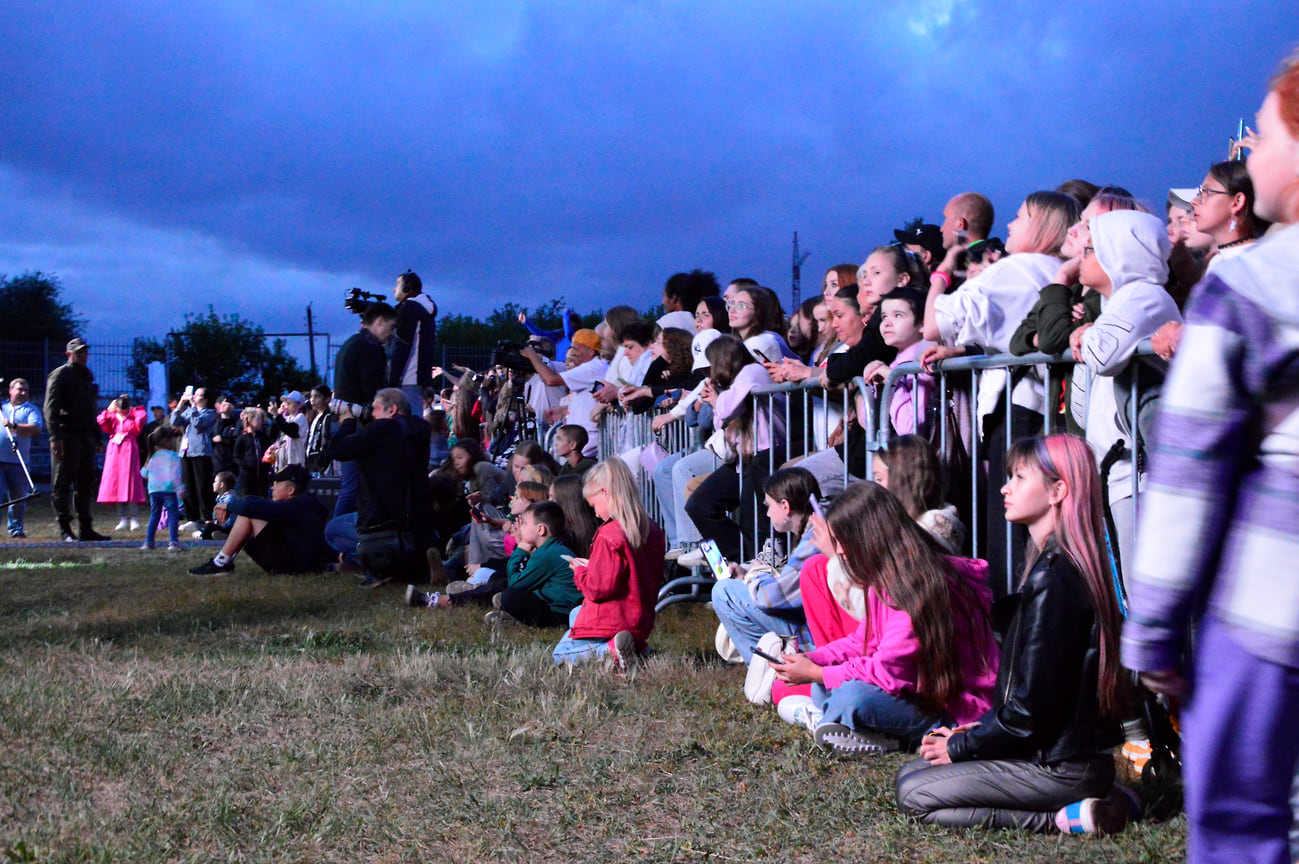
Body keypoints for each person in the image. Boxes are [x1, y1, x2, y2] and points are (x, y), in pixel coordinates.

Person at [1123, 54, 1299, 864]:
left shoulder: (1254, 284)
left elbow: (1188, 474)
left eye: (1262, 135)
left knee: (1249, 832)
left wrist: (1154, 630)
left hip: (1271, 622)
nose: (1250, 155)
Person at [896, 434, 1131, 835]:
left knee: (915, 793)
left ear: (1058, 490)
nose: (1004, 487)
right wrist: (975, 733)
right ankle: (1110, 798)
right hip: (1052, 754)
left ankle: (1069, 818)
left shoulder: (1056, 577)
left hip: (1058, 766)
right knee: (912, 774)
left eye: (1019, 477)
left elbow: (1030, 713)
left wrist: (960, 746)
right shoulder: (1054, 566)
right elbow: (1036, 698)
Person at [769, 480, 998, 756]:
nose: (839, 551)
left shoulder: (915, 586)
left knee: (851, 697)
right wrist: (815, 660)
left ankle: (892, 735)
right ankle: (844, 724)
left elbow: (888, 672)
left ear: (868, 537)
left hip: (954, 710)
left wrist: (818, 673)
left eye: (843, 541)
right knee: (824, 691)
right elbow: (863, 640)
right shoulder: (889, 577)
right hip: (920, 694)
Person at [1067, 209, 1181, 580]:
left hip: (1138, 473)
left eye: (1090, 250)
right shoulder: (1120, 302)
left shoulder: (1144, 296)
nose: (1080, 258)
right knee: (1130, 594)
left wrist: (1088, 333)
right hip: (1117, 472)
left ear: (1119, 253)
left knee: (1147, 593)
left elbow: (1100, 356)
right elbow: (1083, 407)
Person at [552, 459, 665, 667]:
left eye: (593, 505)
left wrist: (580, 572)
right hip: (639, 617)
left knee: (560, 655)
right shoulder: (652, 528)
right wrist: (593, 565)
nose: (595, 513)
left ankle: (611, 650)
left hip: (614, 618)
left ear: (605, 492)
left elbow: (598, 589)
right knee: (576, 614)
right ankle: (638, 648)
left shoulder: (609, 533)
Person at [711, 467, 822, 664]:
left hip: (814, 636)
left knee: (724, 592)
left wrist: (753, 575)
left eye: (769, 506)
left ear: (785, 506)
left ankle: (763, 670)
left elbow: (770, 598)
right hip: (818, 626)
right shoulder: (818, 527)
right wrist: (746, 573)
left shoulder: (814, 540)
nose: (768, 514)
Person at [188, 464, 332, 576]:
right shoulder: (305, 503)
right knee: (253, 511)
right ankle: (223, 559)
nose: (272, 488)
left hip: (297, 566)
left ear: (291, 490)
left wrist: (227, 505)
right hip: (301, 561)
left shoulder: (298, 505)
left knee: (249, 514)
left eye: (277, 484)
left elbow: (250, 505)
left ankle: (221, 562)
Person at [45, 337, 108, 542]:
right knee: (62, 482)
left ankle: (85, 528)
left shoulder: (86, 376)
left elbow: (90, 409)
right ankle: (65, 528)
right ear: (69, 354)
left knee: (85, 483)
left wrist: (97, 436)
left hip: (85, 436)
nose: (82, 356)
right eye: (78, 352)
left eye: (84, 352)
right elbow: (50, 409)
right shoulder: (60, 375)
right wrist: (55, 437)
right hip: (67, 435)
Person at [487, 501, 583, 628]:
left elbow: (515, 584)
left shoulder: (546, 555)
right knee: (510, 589)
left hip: (562, 615)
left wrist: (520, 549)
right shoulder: (554, 548)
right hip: (568, 609)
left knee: (510, 595)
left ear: (540, 529)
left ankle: (515, 618)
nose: (521, 528)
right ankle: (509, 611)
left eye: (525, 524)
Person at [1193, 159, 1271, 277]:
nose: (1194, 201)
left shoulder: (1255, 263)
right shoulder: (1218, 260)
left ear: (1237, 202)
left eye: (1207, 192)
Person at [387, 270, 438, 411]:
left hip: (407, 377)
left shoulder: (408, 308)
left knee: (406, 424)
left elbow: (401, 345)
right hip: (417, 379)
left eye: (397, 285)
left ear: (407, 288)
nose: (393, 289)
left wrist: (391, 380)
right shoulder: (423, 310)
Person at [96, 394, 147, 531]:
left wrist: (132, 410)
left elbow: (141, 418)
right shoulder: (113, 417)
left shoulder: (134, 416)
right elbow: (101, 421)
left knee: (131, 484)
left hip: (130, 450)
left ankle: (134, 518)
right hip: (115, 452)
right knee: (117, 483)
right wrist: (109, 409)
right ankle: (123, 518)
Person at [0, 378, 43, 538]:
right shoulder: (2, 408)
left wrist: (14, 426)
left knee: (18, 499)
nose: (23, 392)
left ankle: (16, 529)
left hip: (19, 462)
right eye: (20, 389)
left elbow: (36, 428)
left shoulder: (30, 410)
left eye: (26, 390)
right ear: (11, 390)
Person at [170, 385, 217, 529]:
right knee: (188, 486)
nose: (195, 397)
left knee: (202, 486)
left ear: (205, 399)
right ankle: (192, 517)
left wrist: (192, 406)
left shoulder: (209, 413)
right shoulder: (189, 411)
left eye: (198, 395)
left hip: (200, 452)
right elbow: (175, 422)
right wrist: (181, 404)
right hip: (186, 452)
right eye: (194, 394)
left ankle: (208, 517)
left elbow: (198, 424)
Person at [140, 425, 185, 551]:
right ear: (166, 441)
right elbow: (176, 475)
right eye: (172, 439)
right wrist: (180, 489)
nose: (174, 441)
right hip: (169, 491)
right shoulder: (173, 456)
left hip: (154, 491)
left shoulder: (152, 457)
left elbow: (143, 473)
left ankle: (149, 542)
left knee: (154, 515)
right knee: (173, 516)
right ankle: (173, 542)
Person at [193, 471, 237, 540]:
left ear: (221, 485)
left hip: (228, 528)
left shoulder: (229, 499)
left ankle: (206, 535)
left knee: (210, 526)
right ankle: (214, 534)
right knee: (199, 523)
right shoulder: (219, 497)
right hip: (220, 526)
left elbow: (231, 520)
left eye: (215, 481)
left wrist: (218, 524)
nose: (213, 484)